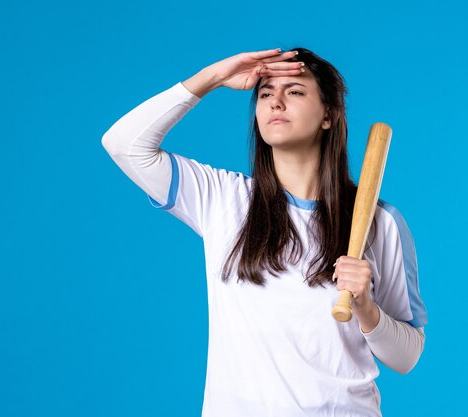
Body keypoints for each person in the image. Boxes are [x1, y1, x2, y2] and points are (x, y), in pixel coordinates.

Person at [101, 47, 428, 417]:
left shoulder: (380, 222)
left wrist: (368, 309)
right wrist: (212, 77)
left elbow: (407, 356)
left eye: (295, 91)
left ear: (329, 116)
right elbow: (124, 144)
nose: (275, 102)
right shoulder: (222, 198)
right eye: (266, 93)